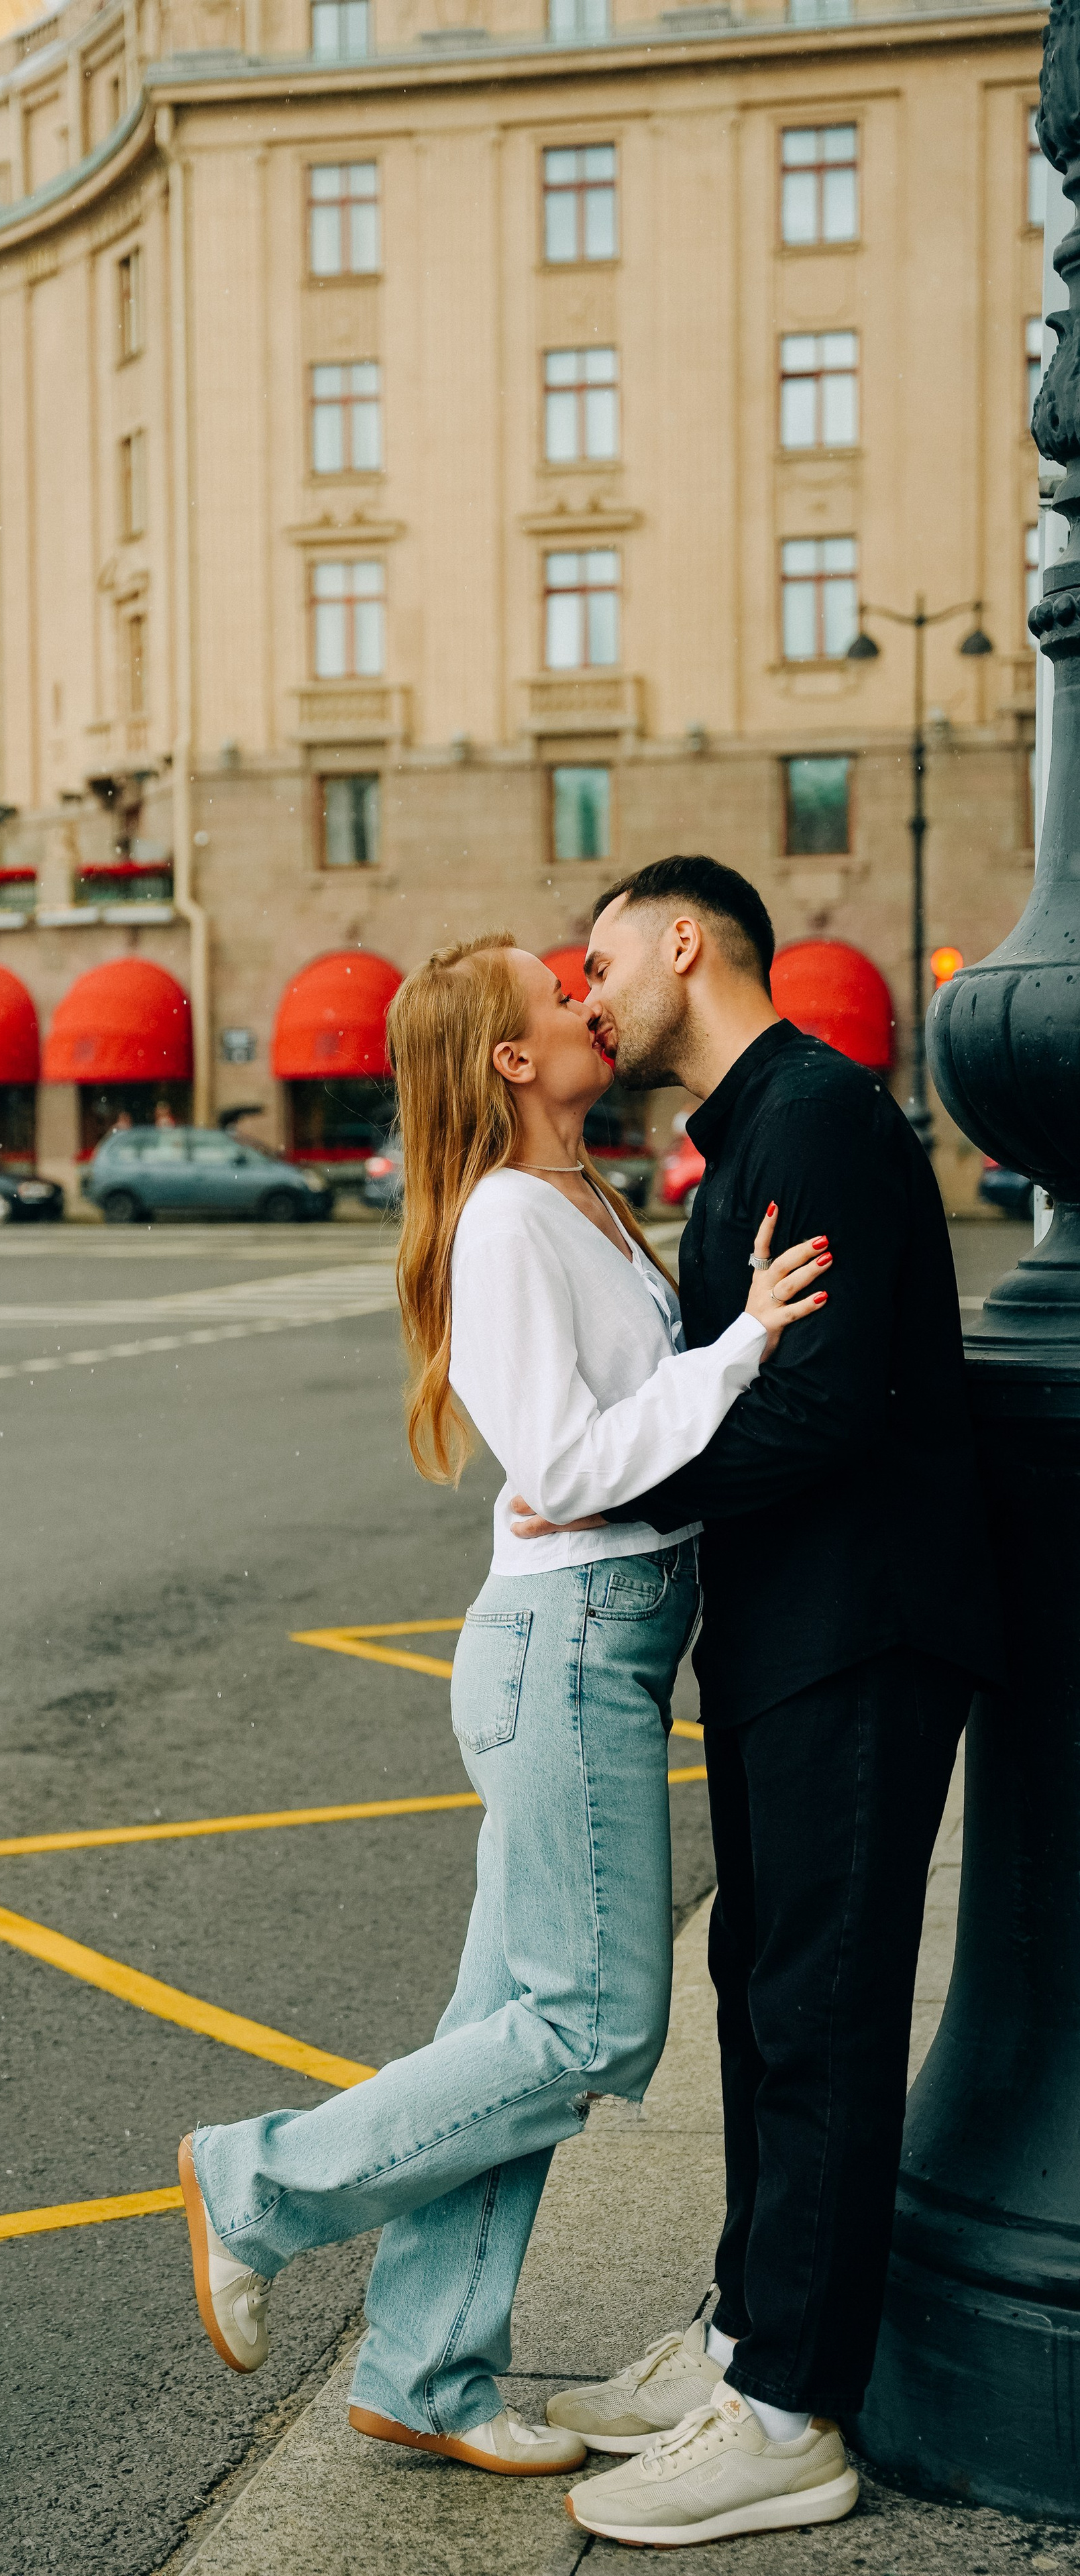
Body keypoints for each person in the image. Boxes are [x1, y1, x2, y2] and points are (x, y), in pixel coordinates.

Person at [176, 933, 829, 2486]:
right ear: (511, 1063)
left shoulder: (579, 1198)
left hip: (594, 1634)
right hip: (571, 1647)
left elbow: (607, 1433)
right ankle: (252, 2184)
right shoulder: (503, 1220)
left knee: (506, 2028)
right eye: (558, 998)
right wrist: (741, 1343)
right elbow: (569, 1463)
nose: (586, 998)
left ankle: (422, 2366)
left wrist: (703, 1344)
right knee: (593, 2020)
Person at [516, 857, 1002, 2549]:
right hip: (791, 1626)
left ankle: (789, 2414)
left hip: (859, 1630)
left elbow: (820, 1412)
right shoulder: (751, 1129)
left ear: (680, 941)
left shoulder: (814, 1122)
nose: (582, 999)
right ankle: (740, 2340)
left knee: (819, 2000)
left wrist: (613, 1494)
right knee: (759, 1977)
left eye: (595, 964)